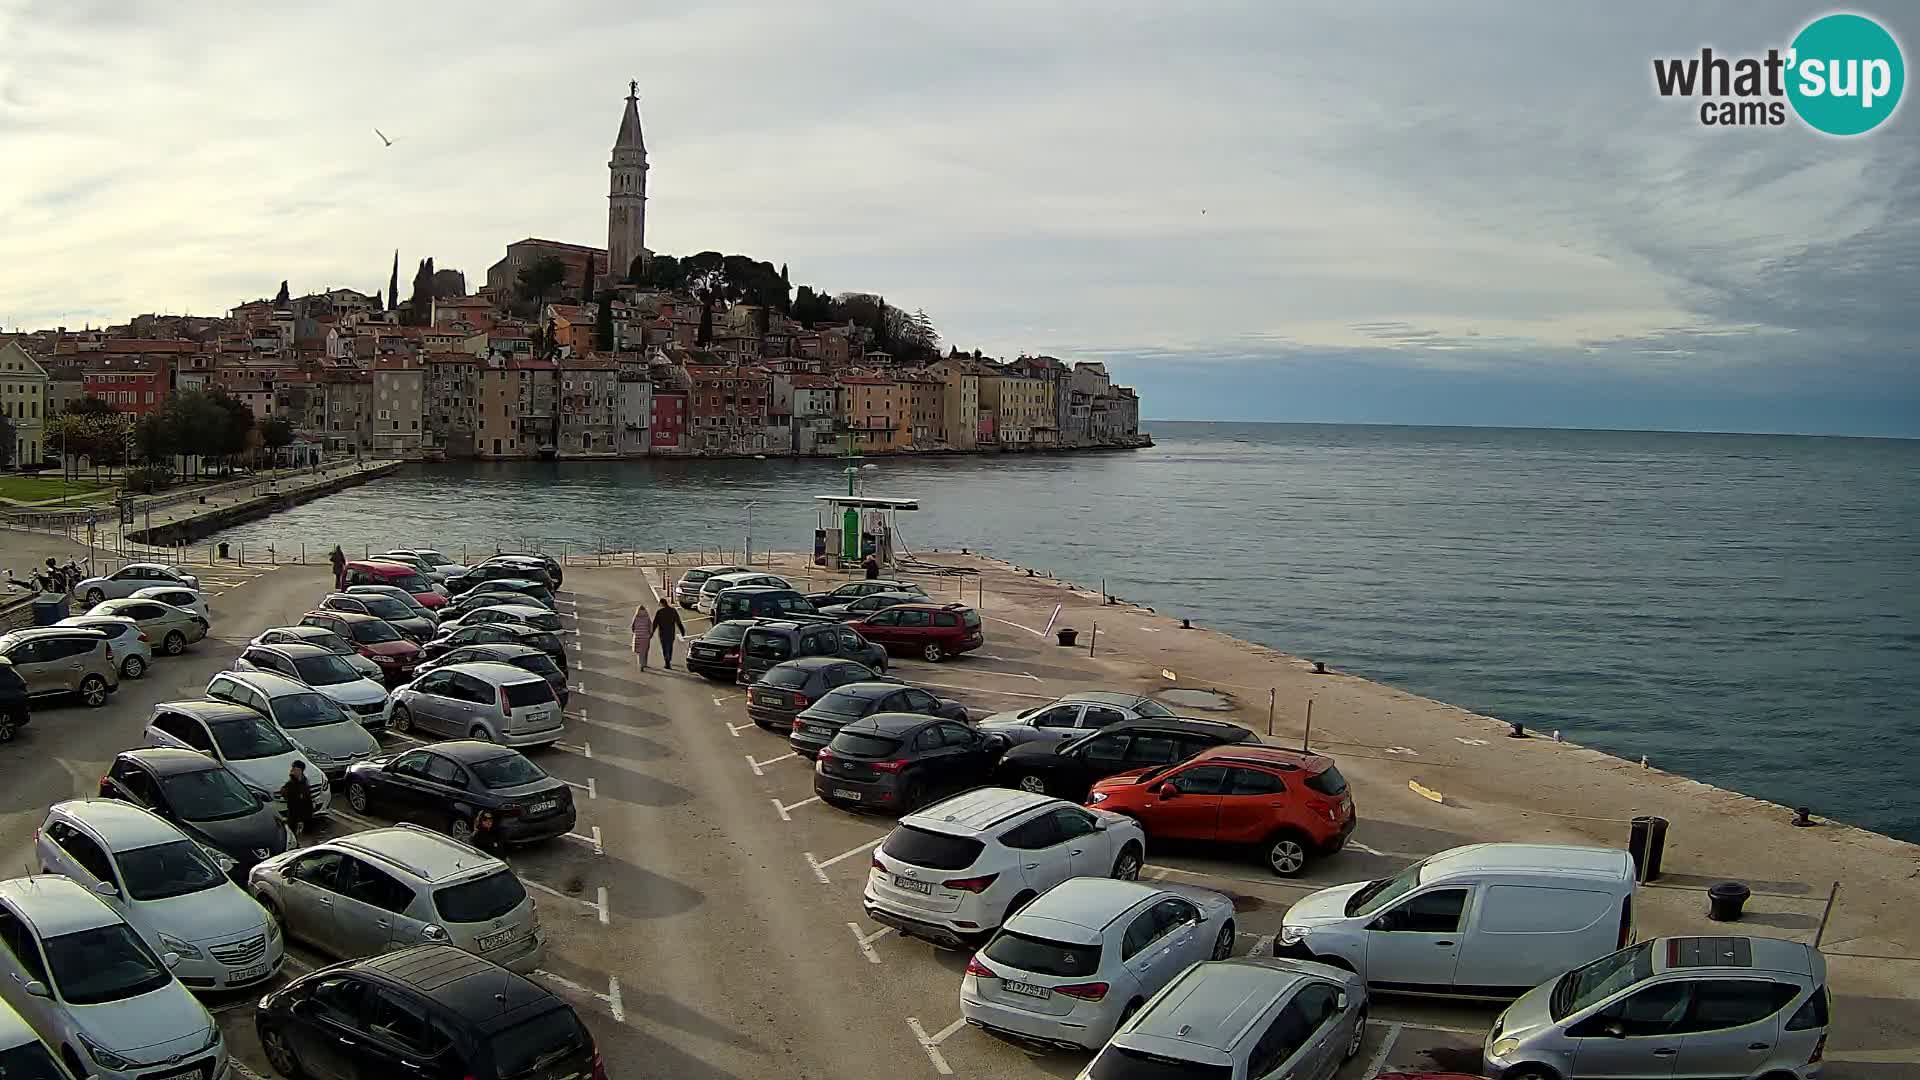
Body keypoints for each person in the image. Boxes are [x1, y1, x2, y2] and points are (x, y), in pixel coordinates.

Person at [280, 760, 316, 835]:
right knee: (293, 829)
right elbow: (285, 794)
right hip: (294, 811)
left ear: (300, 770)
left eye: (295, 768)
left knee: (307, 829)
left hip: (305, 811)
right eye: (293, 768)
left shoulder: (304, 781)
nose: (292, 770)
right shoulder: (290, 783)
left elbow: (307, 795)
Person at [652, 600, 685, 670]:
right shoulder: (673, 611)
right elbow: (678, 622)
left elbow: (655, 624)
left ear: (662, 604)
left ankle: (667, 662)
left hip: (662, 633)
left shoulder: (660, 612)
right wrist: (682, 631)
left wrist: (651, 633)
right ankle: (669, 659)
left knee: (664, 647)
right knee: (670, 646)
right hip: (671, 632)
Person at [630, 602, 653, 671]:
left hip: (638, 636)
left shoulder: (636, 617)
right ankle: (645, 663)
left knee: (640, 653)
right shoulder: (647, 617)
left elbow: (632, 626)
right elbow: (651, 627)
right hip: (646, 637)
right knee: (645, 651)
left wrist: (635, 632)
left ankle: (641, 665)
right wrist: (650, 634)